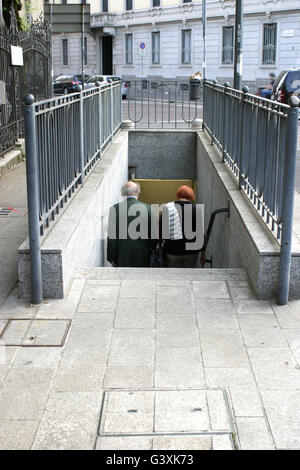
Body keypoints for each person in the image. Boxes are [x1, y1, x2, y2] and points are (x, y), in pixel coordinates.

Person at [107, 181, 157, 267]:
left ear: (123, 192)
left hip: (121, 255)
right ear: (138, 192)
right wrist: (152, 248)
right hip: (143, 254)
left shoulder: (114, 209)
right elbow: (153, 235)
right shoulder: (149, 209)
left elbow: (112, 236)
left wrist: (111, 257)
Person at [160, 185, 204, 268]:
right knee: (188, 275)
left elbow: (162, 231)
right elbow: (200, 234)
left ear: (178, 195)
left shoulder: (168, 209)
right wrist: (203, 253)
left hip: (172, 251)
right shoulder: (196, 210)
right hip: (191, 252)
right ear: (191, 196)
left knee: (174, 276)